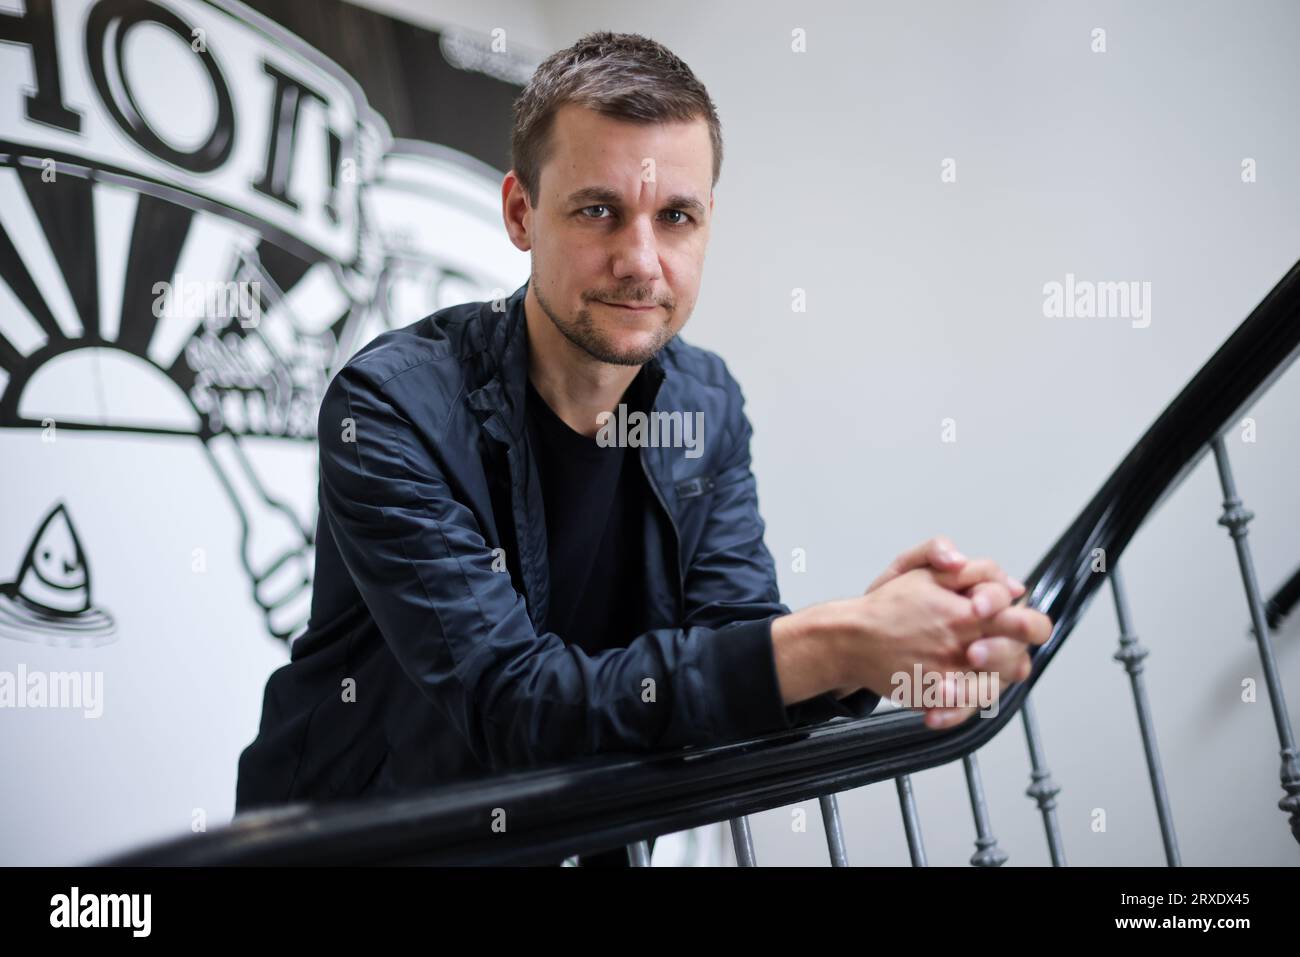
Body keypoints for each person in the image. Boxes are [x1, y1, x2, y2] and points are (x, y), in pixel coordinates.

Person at [234, 31, 1052, 867]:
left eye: (676, 217)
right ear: (520, 213)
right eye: (599, 210)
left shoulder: (704, 403)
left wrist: (870, 646)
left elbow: (734, 640)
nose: (641, 261)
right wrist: (839, 640)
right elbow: (515, 705)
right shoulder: (391, 406)